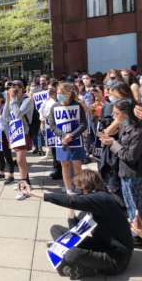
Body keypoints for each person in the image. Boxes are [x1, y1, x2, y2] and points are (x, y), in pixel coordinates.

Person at [20, 170, 133, 280]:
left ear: (87, 187)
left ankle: (84, 269)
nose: (78, 193)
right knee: (55, 229)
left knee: (71, 254)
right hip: (101, 244)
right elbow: (75, 230)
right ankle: (74, 263)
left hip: (116, 259)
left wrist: (32, 192)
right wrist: (71, 214)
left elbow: (71, 201)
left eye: (79, 189)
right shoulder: (92, 202)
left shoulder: (102, 199)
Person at [99, 99, 142, 245]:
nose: (113, 115)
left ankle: (137, 235)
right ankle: (134, 232)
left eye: (116, 113)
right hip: (124, 172)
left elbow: (130, 156)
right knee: (130, 206)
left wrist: (113, 144)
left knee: (135, 207)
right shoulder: (126, 126)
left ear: (125, 114)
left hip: (133, 175)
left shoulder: (137, 130)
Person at [48, 82, 87, 194]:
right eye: (58, 93)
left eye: (62, 93)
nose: (60, 95)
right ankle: (69, 189)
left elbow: (83, 124)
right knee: (64, 164)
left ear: (69, 93)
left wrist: (72, 135)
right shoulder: (54, 106)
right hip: (61, 141)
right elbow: (52, 125)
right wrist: (63, 135)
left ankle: (80, 188)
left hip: (75, 140)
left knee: (77, 165)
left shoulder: (78, 105)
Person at [5, 80, 34, 199]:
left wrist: (12, 100)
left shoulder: (27, 100)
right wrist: (8, 100)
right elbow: (6, 115)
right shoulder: (12, 101)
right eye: (12, 87)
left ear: (23, 88)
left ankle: (23, 189)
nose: (15, 89)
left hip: (24, 133)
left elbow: (17, 114)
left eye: (18, 87)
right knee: (21, 161)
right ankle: (26, 182)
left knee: (20, 160)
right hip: (15, 132)